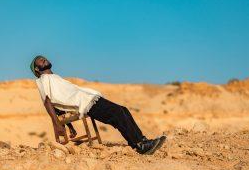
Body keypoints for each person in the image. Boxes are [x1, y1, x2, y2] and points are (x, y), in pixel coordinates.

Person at [30, 55, 166, 155]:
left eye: (44, 58)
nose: (44, 59)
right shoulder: (42, 80)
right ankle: (139, 145)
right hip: (85, 103)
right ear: (37, 69)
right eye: (40, 60)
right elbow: (48, 102)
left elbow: (59, 101)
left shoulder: (55, 78)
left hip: (89, 98)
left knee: (122, 110)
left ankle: (141, 140)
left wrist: (69, 126)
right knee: (117, 114)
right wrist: (58, 124)